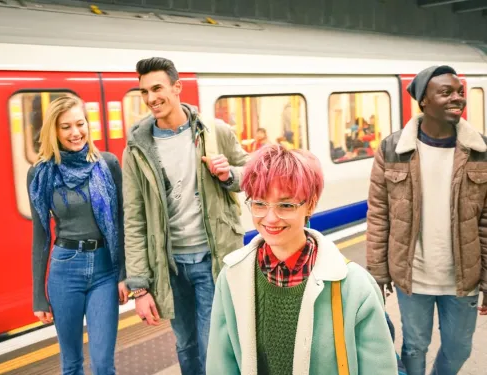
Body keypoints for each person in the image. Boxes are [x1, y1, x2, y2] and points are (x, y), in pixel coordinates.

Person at [206, 144, 398, 375]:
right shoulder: (232, 278)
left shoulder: (354, 286)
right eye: (258, 203)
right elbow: (221, 365)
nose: (270, 218)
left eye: (286, 205)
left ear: (311, 204)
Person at [122, 57, 249, 375]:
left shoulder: (214, 131)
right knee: (186, 347)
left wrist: (229, 174)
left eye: (157, 88)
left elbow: (253, 173)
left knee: (213, 347)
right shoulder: (137, 148)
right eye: (144, 92)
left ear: (177, 87)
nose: (151, 98)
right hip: (171, 267)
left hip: (212, 260)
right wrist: (140, 287)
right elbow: (134, 218)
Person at [366, 65, 487, 375]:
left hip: (463, 278)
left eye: (459, 92)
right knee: (414, 346)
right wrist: (377, 272)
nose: (457, 98)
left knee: (459, 349)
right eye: (445, 93)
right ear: (423, 101)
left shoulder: (480, 151)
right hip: (413, 276)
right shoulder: (393, 149)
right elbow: (378, 213)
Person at [27, 95, 128, 375]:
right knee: (71, 364)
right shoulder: (41, 173)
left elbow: (121, 221)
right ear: (54, 132)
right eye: (66, 127)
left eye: (80, 124)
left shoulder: (107, 164)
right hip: (64, 269)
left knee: (103, 364)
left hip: (104, 269)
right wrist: (38, 295)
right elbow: (41, 234)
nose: (75, 132)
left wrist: (123, 273)